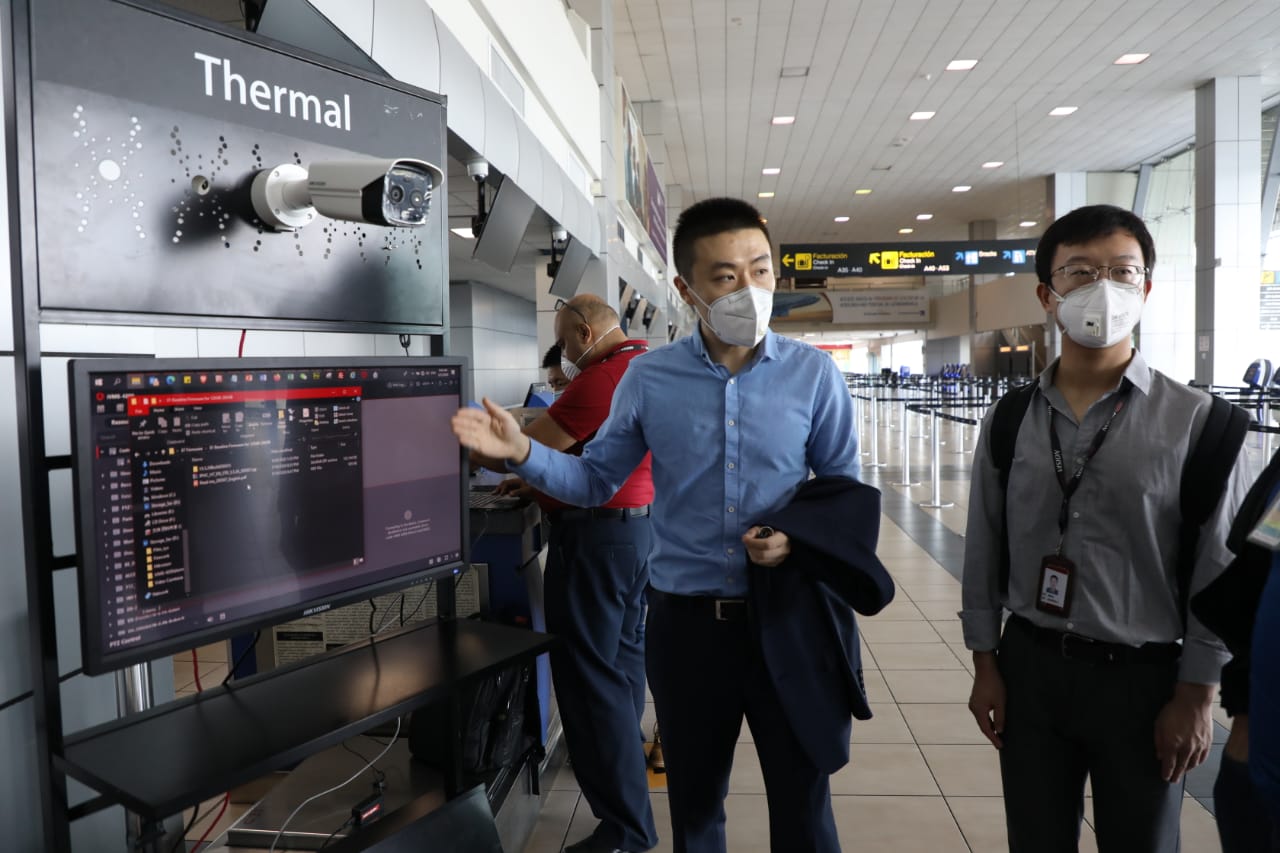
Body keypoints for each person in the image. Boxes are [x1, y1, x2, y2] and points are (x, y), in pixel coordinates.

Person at [453, 197, 869, 853]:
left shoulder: (813, 376)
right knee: (697, 810)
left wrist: (797, 535)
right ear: (686, 288)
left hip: (790, 615)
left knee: (804, 804)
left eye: (761, 270)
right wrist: (525, 453)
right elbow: (594, 479)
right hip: (688, 627)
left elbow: (846, 492)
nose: (749, 289)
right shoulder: (649, 378)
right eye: (726, 275)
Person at [960, 203, 1253, 852]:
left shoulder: (1200, 424)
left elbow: (1218, 571)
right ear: (1048, 293)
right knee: (1035, 839)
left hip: (1145, 678)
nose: (1104, 289)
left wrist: (1197, 695)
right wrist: (985, 663)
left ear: (1146, 289)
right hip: (1031, 667)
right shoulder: (1009, 420)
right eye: (1080, 272)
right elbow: (982, 546)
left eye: (1123, 272)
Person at [476, 296, 657, 853]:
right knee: (622, 671)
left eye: (566, 340)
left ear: (584, 332)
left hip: (596, 541)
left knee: (588, 682)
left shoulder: (600, 378)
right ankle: (621, 786)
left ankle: (626, 826)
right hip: (635, 535)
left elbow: (530, 451)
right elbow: (594, 462)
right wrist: (535, 486)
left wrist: (479, 452)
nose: (565, 354)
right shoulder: (643, 364)